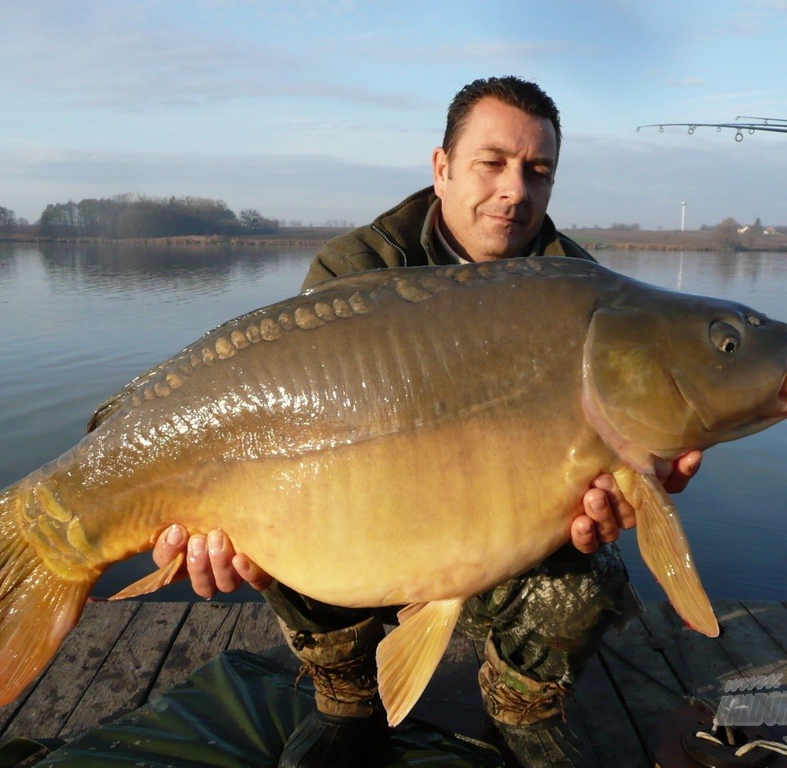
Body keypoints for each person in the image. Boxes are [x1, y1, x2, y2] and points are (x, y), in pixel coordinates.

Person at [153, 76, 702, 768]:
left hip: (507, 527)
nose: (515, 190)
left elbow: (614, 456)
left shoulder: (582, 291)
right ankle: (349, 698)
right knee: (295, 507)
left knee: (591, 571)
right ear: (441, 168)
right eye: (492, 162)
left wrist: (622, 491)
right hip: (371, 518)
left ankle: (521, 706)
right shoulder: (357, 268)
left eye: (538, 172)